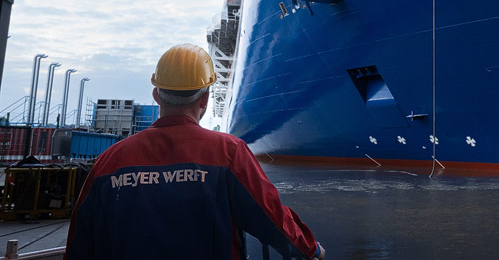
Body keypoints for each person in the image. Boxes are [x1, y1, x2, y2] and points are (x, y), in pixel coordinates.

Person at [65, 44, 324, 260]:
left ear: (156, 95)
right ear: (205, 100)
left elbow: (80, 241)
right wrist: (311, 249)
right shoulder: (229, 153)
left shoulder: (110, 160)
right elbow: (271, 219)